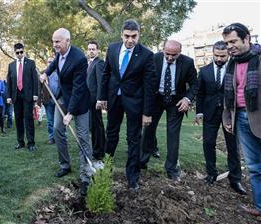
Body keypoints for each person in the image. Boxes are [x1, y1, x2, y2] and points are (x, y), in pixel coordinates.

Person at [98, 19, 156, 190]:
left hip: (135, 102)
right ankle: (106, 167)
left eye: (134, 36)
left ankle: (132, 177)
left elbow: (150, 85)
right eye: (127, 36)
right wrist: (102, 97)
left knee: (133, 139)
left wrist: (147, 112)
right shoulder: (113, 49)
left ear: (139, 35)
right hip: (114, 100)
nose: (130, 40)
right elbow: (106, 74)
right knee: (111, 134)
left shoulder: (146, 55)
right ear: (121, 34)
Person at [40, 28, 92, 196]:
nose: (55, 44)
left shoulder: (79, 59)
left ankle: (86, 177)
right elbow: (55, 64)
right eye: (53, 41)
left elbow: (78, 89)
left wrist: (70, 113)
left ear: (67, 41)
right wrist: (45, 73)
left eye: (58, 41)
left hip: (80, 102)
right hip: (62, 98)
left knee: (82, 137)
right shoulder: (58, 53)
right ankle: (65, 165)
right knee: (56, 129)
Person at [141, 40, 198, 182]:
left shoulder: (188, 62)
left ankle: (171, 168)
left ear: (180, 52)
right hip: (155, 99)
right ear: (163, 50)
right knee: (148, 130)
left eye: (174, 55)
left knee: (173, 135)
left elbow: (195, 84)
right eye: (167, 54)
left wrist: (187, 99)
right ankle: (141, 162)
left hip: (176, 101)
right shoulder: (153, 59)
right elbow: (144, 80)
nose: (170, 58)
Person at [195, 41, 246, 195]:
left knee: (232, 146)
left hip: (230, 113)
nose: (219, 58)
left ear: (228, 54)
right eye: (216, 55)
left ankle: (235, 179)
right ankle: (211, 173)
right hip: (210, 113)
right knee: (208, 143)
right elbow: (200, 93)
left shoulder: (235, 68)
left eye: (222, 56)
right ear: (213, 53)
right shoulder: (204, 71)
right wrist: (199, 112)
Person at [222, 22, 261, 217]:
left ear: (247, 38)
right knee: (254, 167)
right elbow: (228, 95)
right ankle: (260, 208)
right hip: (242, 120)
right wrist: (228, 117)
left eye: (233, 41)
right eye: (227, 43)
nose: (229, 46)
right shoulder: (232, 63)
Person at [7, 43, 39, 151]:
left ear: (23, 51)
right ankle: (20, 142)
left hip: (28, 95)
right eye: (17, 52)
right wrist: (8, 96)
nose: (20, 54)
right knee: (18, 119)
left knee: (28, 120)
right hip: (16, 96)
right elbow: (9, 82)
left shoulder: (30, 63)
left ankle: (31, 143)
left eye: (21, 52)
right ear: (14, 52)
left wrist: (35, 94)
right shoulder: (11, 65)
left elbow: (35, 79)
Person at [86, 41, 106, 162]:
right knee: (95, 126)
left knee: (96, 126)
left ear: (98, 50)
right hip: (88, 100)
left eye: (93, 49)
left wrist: (100, 99)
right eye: (89, 49)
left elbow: (101, 82)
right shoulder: (89, 63)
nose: (91, 51)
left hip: (95, 100)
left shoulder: (99, 63)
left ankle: (98, 152)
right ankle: (101, 147)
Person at [40, 56, 60, 144]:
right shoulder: (43, 74)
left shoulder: (60, 72)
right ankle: (52, 138)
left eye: (52, 61)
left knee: (60, 121)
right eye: (48, 62)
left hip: (59, 101)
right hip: (48, 101)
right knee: (50, 121)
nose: (50, 63)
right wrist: (39, 101)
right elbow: (39, 88)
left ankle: (61, 137)